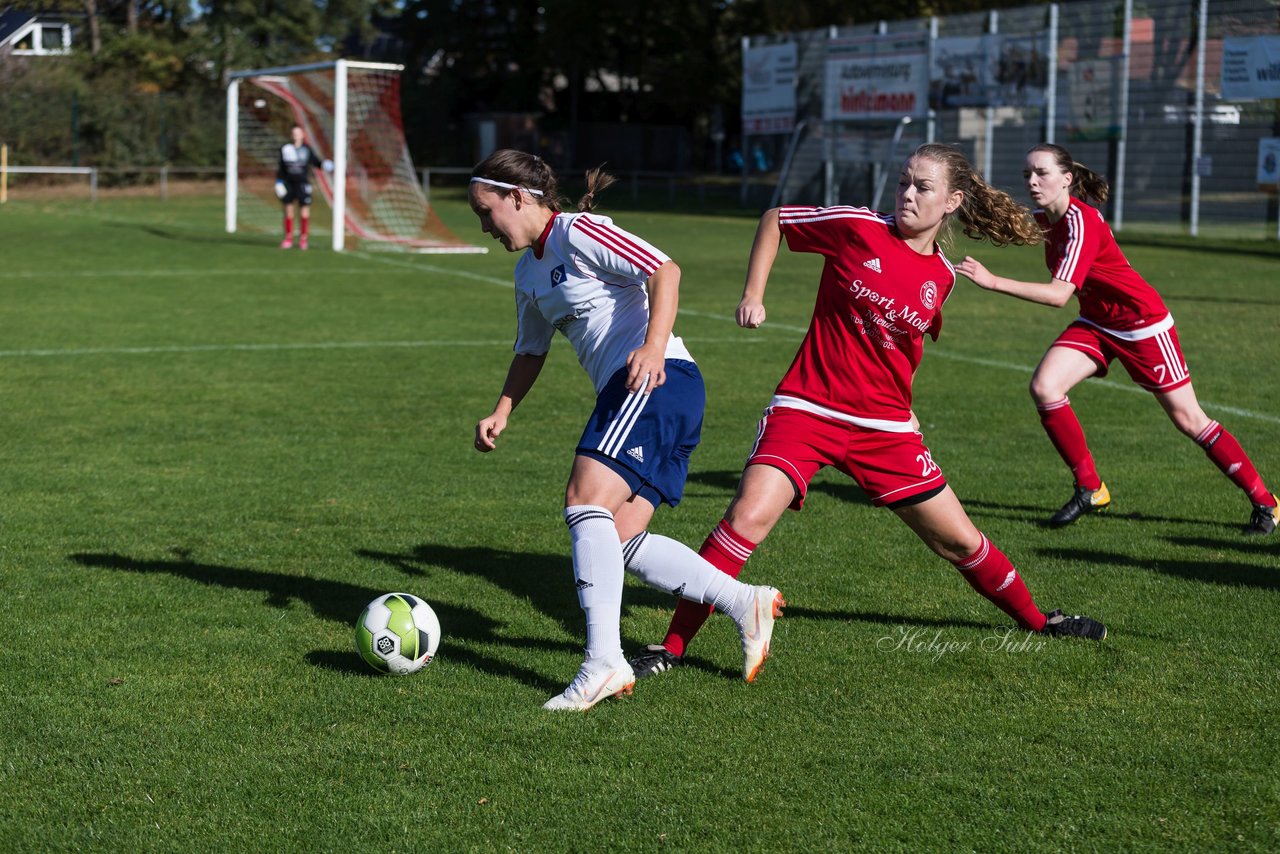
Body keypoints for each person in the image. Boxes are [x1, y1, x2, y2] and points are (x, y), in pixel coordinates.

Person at [628, 143, 1107, 680]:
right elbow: (775, 220)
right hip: (807, 408)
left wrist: (907, 415)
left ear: (951, 201)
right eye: (903, 182)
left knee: (959, 540)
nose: (906, 194)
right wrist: (753, 294)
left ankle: (1040, 621)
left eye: (922, 187)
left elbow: (903, 351)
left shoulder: (943, 278)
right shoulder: (858, 226)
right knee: (747, 517)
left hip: (886, 429)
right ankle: (670, 648)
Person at [469, 149, 785, 712]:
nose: (484, 226)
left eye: (486, 212)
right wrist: (503, 409)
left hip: (657, 383)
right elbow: (530, 350)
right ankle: (744, 601)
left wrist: (654, 346)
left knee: (583, 500)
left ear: (518, 197)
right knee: (618, 540)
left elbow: (665, 268)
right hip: (650, 392)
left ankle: (603, 663)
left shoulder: (579, 231)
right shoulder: (528, 272)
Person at [955, 143, 1278, 536]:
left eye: (1041, 173)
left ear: (1067, 179)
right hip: (1097, 321)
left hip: (1142, 324)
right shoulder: (1046, 218)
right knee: (1045, 386)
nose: (1033, 181)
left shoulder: (1080, 222)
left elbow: (1058, 295)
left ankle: (1266, 502)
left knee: (1188, 419)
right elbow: (1016, 226)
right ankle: (1091, 488)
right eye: (1027, 175)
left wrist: (993, 281)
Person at [275, 125, 332, 250]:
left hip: (302, 183)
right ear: (291, 135)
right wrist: (279, 182)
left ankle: (303, 239)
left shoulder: (307, 149)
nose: (296, 135)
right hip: (288, 183)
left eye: (298, 133)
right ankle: (288, 238)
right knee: (288, 210)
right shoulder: (286, 149)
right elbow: (281, 168)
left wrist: (326, 165)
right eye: (294, 133)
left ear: (303, 135)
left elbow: (316, 162)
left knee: (304, 210)